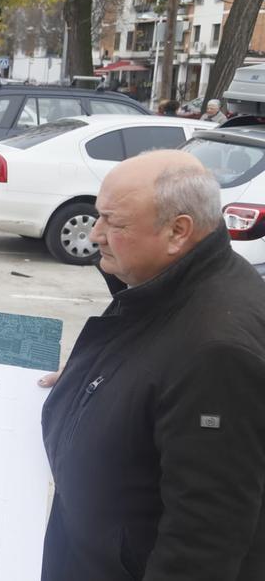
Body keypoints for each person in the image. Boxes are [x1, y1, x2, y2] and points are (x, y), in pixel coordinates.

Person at [40, 150, 265, 580]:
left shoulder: (217, 352)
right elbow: (151, 370)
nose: (95, 234)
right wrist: (92, 380)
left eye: (115, 223)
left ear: (178, 232)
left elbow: (204, 537)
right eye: (97, 215)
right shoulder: (166, 286)